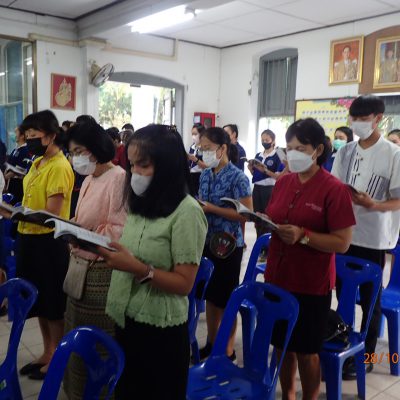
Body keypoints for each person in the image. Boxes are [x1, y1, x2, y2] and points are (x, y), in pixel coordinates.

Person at [99, 124, 207, 400]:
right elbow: (135, 250)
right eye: (132, 165)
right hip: (128, 317)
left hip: (161, 330)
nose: (135, 173)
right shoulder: (141, 202)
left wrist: (137, 268)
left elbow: (184, 284)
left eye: (143, 165)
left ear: (167, 166)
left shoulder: (187, 212)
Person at [264, 118, 355, 399]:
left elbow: (342, 243)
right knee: (282, 345)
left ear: (317, 150)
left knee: (306, 351)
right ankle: (288, 394)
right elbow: (273, 215)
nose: (293, 154)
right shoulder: (284, 182)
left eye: (300, 149)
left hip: (310, 284)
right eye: (289, 148)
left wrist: (303, 236)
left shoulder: (333, 189)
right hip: (277, 277)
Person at [332, 95, 400, 379]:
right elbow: (335, 187)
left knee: (371, 300)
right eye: (354, 118)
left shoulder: (393, 154)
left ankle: (368, 354)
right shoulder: (346, 152)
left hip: (374, 238)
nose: (357, 123)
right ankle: (344, 342)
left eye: (363, 119)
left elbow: (398, 200)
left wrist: (374, 205)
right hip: (345, 234)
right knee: (342, 293)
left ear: (378, 119)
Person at [62, 121, 126, 400]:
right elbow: (83, 217)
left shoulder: (118, 178)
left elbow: (118, 230)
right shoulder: (89, 178)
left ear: (96, 147)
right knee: (76, 334)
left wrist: (82, 232)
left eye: (79, 151)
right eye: (72, 152)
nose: (74, 158)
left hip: (101, 271)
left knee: (96, 341)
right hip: (80, 264)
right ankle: (77, 391)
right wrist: (69, 226)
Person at [9, 110, 74, 380]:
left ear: (51, 136)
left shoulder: (59, 166)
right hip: (28, 238)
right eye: (27, 136)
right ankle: (48, 351)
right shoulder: (38, 162)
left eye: (34, 135)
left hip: (48, 242)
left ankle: (58, 357)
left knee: (52, 302)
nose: (29, 141)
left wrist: (19, 213)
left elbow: (52, 214)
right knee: (37, 302)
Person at [198, 127, 252, 361]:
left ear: (223, 148)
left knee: (226, 300)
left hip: (228, 246)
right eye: (202, 149)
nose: (204, 153)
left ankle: (227, 351)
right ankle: (212, 343)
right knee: (211, 297)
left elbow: (246, 214)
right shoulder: (205, 174)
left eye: (208, 148)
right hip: (207, 241)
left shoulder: (238, 177)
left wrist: (212, 209)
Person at [248, 129, 281, 239]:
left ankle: (267, 241)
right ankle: (259, 240)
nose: (264, 142)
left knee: (267, 217)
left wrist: (265, 171)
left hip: (269, 189)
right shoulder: (259, 155)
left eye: (267, 140)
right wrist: (250, 168)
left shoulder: (277, 156)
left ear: (273, 141)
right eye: (262, 140)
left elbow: (278, 176)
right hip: (257, 188)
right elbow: (255, 174)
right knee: (257, 216)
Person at [4, 126, 33, 204]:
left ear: (22, 136)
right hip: (11, 183)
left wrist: (4, 177)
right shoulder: (15, 149)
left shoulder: (25, 150)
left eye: (16, 132)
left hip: (18, 184)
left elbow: (20, 169)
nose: (13, 134)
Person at [188, 123, 207, 197]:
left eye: (195, 134)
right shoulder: (192, 146)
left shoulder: (206, 148)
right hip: (191, 176)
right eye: (192, 134)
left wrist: (195, 159)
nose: (193, 136)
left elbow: (207, 166)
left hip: (200, 176)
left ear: (202, 134)